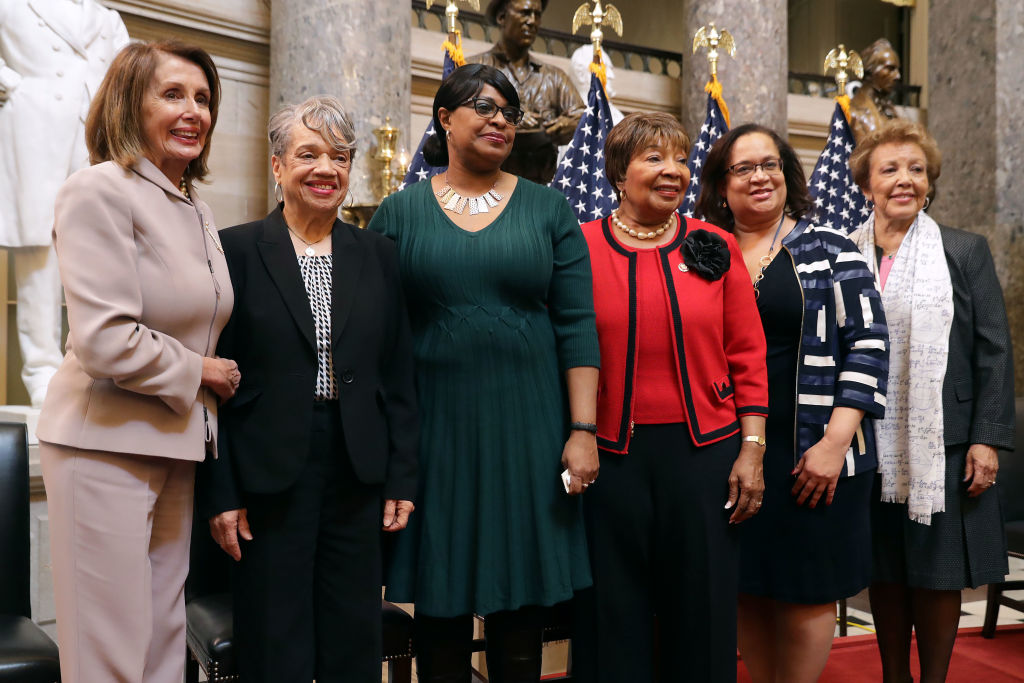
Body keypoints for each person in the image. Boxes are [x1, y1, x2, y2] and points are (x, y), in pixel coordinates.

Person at [368, 63, 600, 683]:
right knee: (440, 592)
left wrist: (583, 428)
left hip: (528, 426)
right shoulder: (398, 212)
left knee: (517, 596)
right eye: (484, 107)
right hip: (432, 428)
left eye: (509, 112)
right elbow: (375, 336)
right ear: (445, 118)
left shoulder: (550, 210)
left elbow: (578, 326)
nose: (501, 120)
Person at [196, 95, 419, 683]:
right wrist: (220, 491)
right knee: (276, 642)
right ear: (277, 166)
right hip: (266, 474)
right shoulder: (234, 250)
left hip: (356, 468)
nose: (327, 169)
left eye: (341, 158)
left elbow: (397, 377)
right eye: (309, 154)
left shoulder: (379, 255)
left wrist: (401, 476)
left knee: (352, 642)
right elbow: (210, 383)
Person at [35, 40, 236, 683]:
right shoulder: (97, 190)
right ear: (130, 103)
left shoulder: (196, 208)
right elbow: (104, 338)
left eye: (203, 99)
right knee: (109, 654)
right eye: (173, 94)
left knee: (160, 646)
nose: (193, 112)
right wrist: (200, 371)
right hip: (102, 446)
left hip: (174, 446)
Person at [573, 112, 769, 683]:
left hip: (704, 455)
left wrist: (752, 449)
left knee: (703, 612)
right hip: (610, 458)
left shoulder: (716, 245)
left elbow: (748, 357)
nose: (673, 171)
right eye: (654, 158)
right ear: (617, 172)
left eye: (681, 159)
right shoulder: (578, 246)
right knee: (611, 614)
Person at [696, 124, 889, 683]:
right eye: (743, 168)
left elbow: (870, 344)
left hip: (814, 451)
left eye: (770, 164)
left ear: (787, 174)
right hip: (727, 450)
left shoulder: (829, 246)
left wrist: (834, 442)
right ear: (720, 184)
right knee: (746, 584)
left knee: (807, 590)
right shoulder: (703, 249)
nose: (760, 176)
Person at [847, 119, 1014, 683]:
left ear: (930, 182)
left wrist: (987, 439)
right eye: (890, 169)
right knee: (887, 570)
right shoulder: (844, 256)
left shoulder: (963, 251)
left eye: (916, 169)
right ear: (867, 184)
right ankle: (894, 676)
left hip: (947, 441)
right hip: (866, 440)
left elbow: (994, 351)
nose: (905, 180)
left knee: (939, 573)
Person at [0, 0, 129, 405]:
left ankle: (92, 361)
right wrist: (10, 83)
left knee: (100, 250)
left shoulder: (108, 18)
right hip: (35, 127)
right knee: (38, 247)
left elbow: (133, 74)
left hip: (97, 136)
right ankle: (40, 369)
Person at [469, 0, 584, 184]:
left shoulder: (554, 77)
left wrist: (568, 125)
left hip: (538, 187)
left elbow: (583, 118)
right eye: (524, 13)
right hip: (485, 186)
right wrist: (508, 119)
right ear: (501, 17)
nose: (532, 21)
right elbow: (457, 117)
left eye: (536, 15)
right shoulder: (473, 69)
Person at [849, 38, 902, 143]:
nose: (897, 76)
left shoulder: (892, 113)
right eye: (890, 68)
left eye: (897, 70)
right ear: (870, 70)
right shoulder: (852, 113)